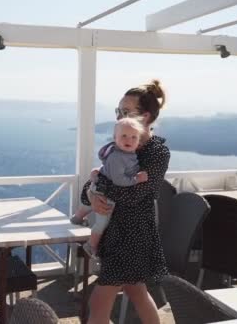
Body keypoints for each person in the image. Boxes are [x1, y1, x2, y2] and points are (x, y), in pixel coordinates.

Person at [84, 79, 170, 324]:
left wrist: (98, 187)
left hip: (132, 235)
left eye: (125, 111)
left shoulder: (156, 152)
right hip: (115, 231)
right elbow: (96, 180)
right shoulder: (118, 144)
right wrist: (91, 193)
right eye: (118, 111)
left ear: (145, 117)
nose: (119, 116)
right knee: (137, 292)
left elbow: (133, 195)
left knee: (99, 302)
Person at [70, 116, 148, 258]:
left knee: (89, 205)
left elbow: (109, 168)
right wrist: (137, 179)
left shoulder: (123, 154)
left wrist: (98, 171)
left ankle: (77, 217)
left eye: (133, 137)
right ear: (115, 138)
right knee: (102, 223)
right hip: (105, 194)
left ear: (139, 141)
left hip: (99, 187)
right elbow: (119, 180)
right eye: (124, 136)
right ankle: (91, 245)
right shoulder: (118, 157)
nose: (128, 140)